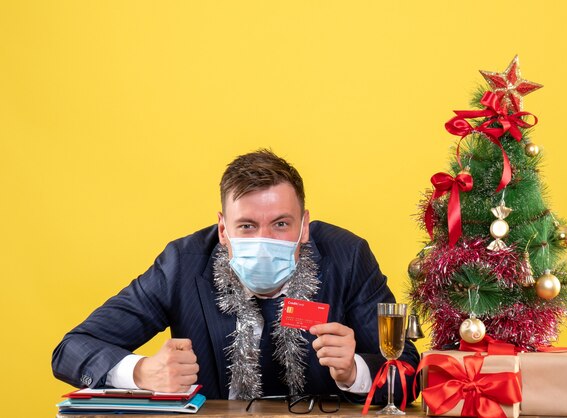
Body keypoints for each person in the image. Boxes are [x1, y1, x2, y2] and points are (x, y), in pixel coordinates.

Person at [52, 149, 420, 404]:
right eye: (246, 225)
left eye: (280, 224)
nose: (263, 239)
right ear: (223, 229)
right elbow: (71, 349)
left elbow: (409, 368)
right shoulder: (183, 263)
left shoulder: (347, 257)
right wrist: (142, 373)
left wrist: (353, 370)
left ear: (305, 226)